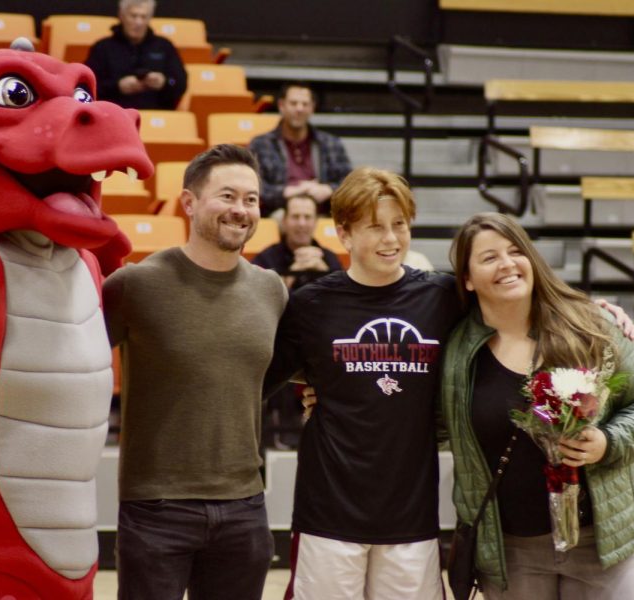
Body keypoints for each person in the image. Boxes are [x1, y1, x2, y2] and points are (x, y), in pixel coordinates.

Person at [441, 212, 634, 599]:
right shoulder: (456, 350)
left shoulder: (588, 323)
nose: (507, 264)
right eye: (489, 257)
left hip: (598, 545)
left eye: (515, 251)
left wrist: (607, 442)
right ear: (466, 279)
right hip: (511, 552)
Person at [103, 143, 288, 599]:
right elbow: (72, 362)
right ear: (189, 202)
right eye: (227, 196)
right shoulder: (135, 285)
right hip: (155, 508)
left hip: (245, 505)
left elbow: (276, 371)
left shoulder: (271, 290)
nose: (241, 210)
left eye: (251, 199)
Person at [264, 167, 458, 599]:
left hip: (411, 516)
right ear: (344, 234)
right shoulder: (311, 305)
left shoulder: (443, 298)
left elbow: (515, 309)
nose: (391, 239)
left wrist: (592, 310)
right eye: (376, 227)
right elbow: (258, 380)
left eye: (399, 225)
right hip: (328, 513)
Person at [253, 193, 342, 449]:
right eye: (296, 217)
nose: (301, 223)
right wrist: (290, 279)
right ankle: (280, 435)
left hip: (322, 344)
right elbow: (254, 306)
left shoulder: (329, 259)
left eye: (307, 217)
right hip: (277, 341)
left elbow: (344, 308)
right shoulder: (266, 258)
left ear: (316, 221)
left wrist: (323, 274)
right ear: (284, 221)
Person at [248, 82, 352, 219]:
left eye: (305, 104)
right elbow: (254, 186)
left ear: (312, 108)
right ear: (281, 106)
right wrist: (288, 192)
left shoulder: (330, 143)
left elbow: (350, 182)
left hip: (322, 213)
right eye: (293, 103)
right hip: (280, 213)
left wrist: (328, 189)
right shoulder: (262, 144)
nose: (299, 108)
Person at [85, 0, 187, 110]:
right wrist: (118, 86)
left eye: (144, 17)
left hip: (156, 114)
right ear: (122, 15)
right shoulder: (102, 48)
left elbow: (180, 83)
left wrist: (164, 82)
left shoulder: (165, 46)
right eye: (133, 16)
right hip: (114, 114)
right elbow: (89, 86)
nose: (139, 22)